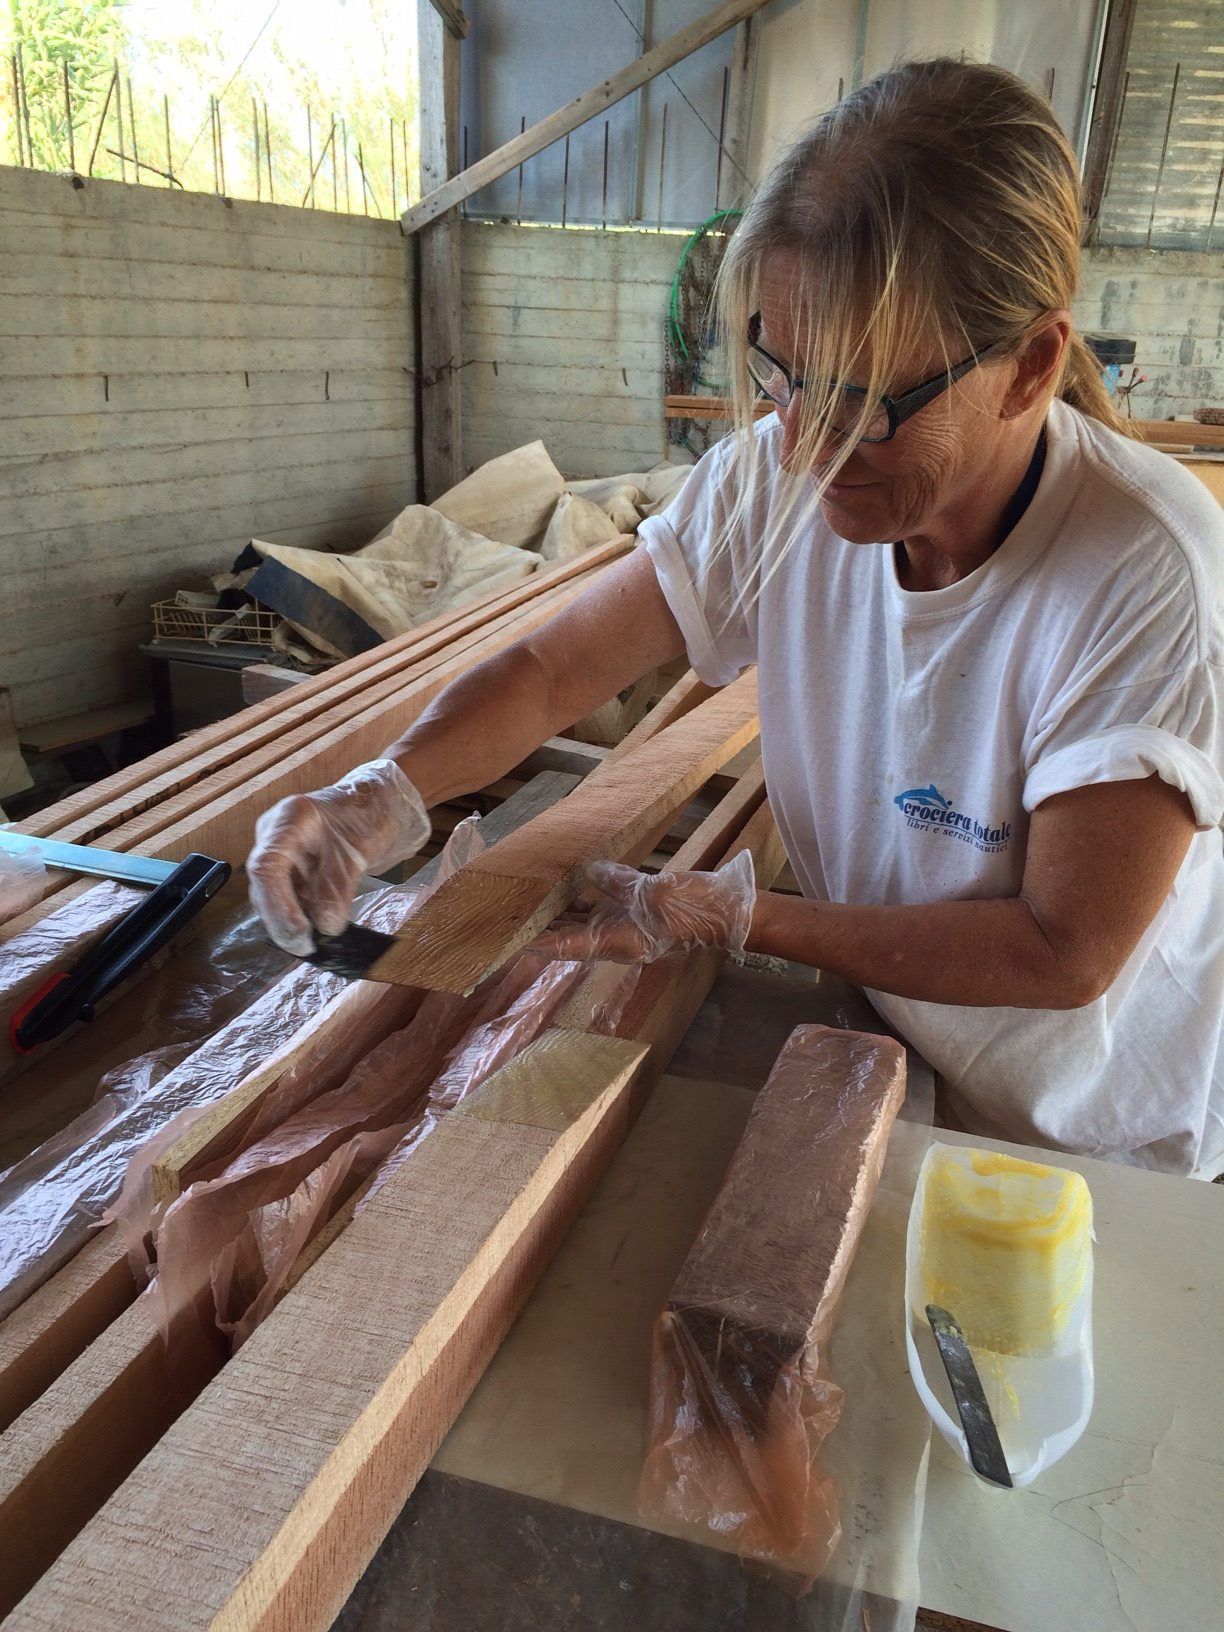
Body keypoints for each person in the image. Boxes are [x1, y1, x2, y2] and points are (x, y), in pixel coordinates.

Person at [248, 59, 1224, 1179]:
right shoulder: (777, 475)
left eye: (866, 398)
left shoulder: (1143, 569)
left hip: (1098, 1132)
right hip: (904, 1039)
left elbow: (1064, 951)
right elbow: (556, 669)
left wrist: (725, 915)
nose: (806, 441)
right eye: (782, 372)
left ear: (1033, 365)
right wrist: (380, 794)